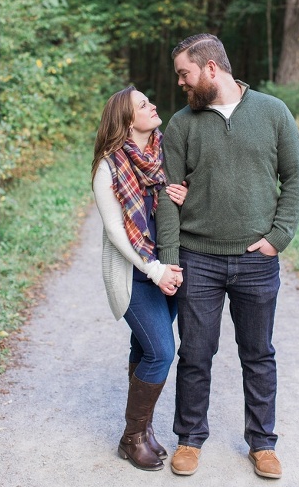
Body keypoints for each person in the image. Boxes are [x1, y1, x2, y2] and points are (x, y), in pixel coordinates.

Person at [156, 33, 299, 479]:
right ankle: (189, 438)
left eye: (185, 74)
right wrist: (170, 257)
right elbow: (167, 196)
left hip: (256, 260)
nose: (181, 83)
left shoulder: (273, 112)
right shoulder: (182, 124)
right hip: (198, 256)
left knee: (258, 354)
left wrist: (278, 237)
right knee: (196, 354)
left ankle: (262, 443)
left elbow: (295, 179)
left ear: (210, 68)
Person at [91, 86, 188, 472]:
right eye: (143, 104)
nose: (153, 105)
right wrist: (155, 270)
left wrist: (179, 194)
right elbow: (116, 232)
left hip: (168, 266)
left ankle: (142, 431)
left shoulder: (165, 153)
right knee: (162, 352)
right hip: (136, 274)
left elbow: (177, 198)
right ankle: (132, 438)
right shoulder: (107, 166)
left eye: (150, 100)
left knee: (144, 348)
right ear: (128, 120)